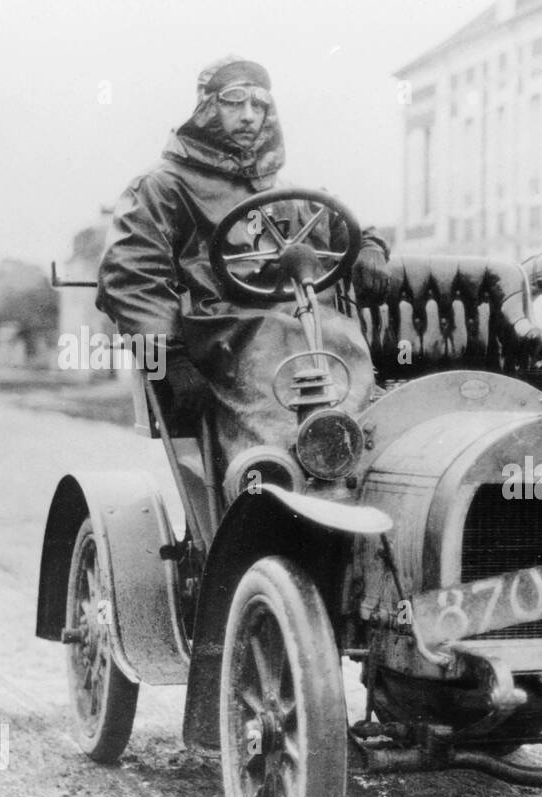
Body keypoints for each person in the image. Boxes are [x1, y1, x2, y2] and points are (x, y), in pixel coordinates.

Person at [97, 55, 391, 481]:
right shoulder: (163, 186)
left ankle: (352, 480)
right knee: (281, 387)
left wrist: (370, 248)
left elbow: (350, 230)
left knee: (350, 376)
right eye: (234, 103)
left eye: (261, 105)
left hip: (312, 329)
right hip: (223, 336)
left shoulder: (291, 193)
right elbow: (131, 276)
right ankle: (267, 493)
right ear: (205, 108)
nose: (250, 116)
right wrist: (169, 358)